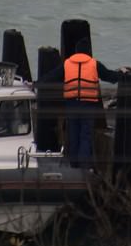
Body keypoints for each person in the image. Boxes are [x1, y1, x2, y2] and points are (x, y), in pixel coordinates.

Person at [42, 36, 125, 169]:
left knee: (73, 133)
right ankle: (84, 166)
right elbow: (110, 76)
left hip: (72, 104)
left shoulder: (67, 64)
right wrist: (122, 73)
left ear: (76, 51)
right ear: (89, 52)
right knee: (85, 135)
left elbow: (51, 77)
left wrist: (35, 84)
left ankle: (73, 164)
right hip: (88, 104)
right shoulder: (94, 63)